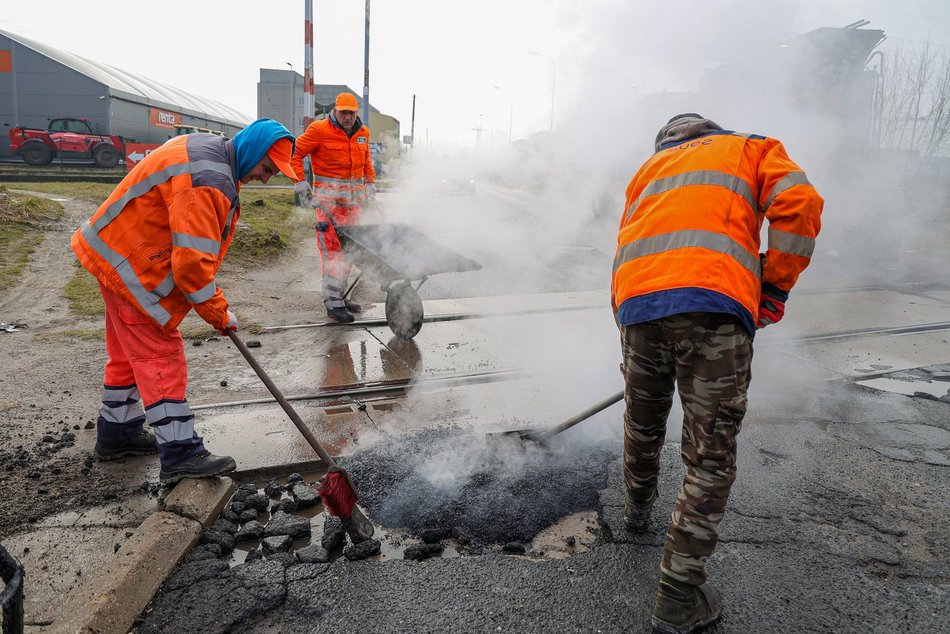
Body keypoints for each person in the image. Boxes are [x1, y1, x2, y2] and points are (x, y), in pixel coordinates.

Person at [611, 113, 823, 633]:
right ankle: (679, 596)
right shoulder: (753, 148)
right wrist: (773, 287)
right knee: (709, 451)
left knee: (643, 418)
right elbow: (801, 204)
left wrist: (634, 315)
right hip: (712, 302)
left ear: (668, 142)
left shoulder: (648, 169)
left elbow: (627, 242)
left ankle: (637, 513)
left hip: (637, 304)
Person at [70, 118, 299, 485]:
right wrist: (219, 314)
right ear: (254, 152)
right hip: (133, 268)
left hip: (116, 253)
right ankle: (180, 452)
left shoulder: (212, 153)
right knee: (161, 357)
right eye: (267, 168)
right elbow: (192, 265)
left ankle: (118, 433)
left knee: (130, 356)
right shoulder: (211, 182)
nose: (266, 178)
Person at [291, 92, 377, 323]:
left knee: (350, 251)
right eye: (343, 112)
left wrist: (370, 182)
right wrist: (300, 181)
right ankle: (333, 303)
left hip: (353, 205)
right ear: (335, 111)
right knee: (333, 254)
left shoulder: (363, 133)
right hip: (328, 206)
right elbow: (294, 153)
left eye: (351, 112)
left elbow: (366, 159)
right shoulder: (319, 130)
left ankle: (340, 296)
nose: (348, 117)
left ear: (356, 112)